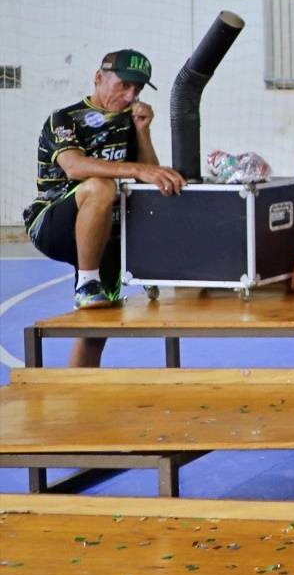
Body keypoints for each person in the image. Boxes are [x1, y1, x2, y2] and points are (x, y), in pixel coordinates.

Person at [25, 49, 182, 367]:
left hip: (104, 231)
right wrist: (135, 170)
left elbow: (150, 176)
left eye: (136, 90)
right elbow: (74, 167)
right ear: (98, 78)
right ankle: (87, 282)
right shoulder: (64, 119)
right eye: (123, 86)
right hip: (54, 223)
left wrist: (143, 132)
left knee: (95, 330)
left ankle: (79, 396)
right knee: (100, 185)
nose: (129, 96)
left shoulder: (130, 121)